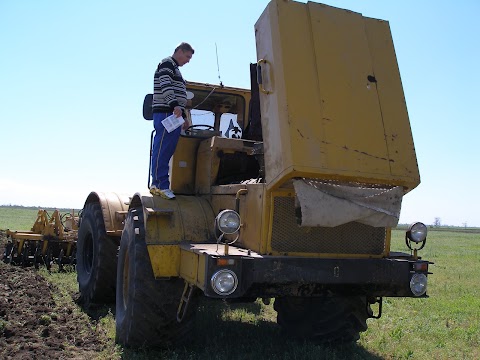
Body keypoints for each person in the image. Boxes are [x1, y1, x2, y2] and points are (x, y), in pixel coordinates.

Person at [150, 42, 194, 199]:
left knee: (167, 150)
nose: (188, 61)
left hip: (173, 114)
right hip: (166, 113)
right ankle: (160, 185)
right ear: (180, 51)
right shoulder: (167, 63)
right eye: (187, 56)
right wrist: (174, 105)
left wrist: (183, 117)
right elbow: (165, 84)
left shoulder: (175, 69)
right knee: (162, 148)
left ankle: (160, 183)